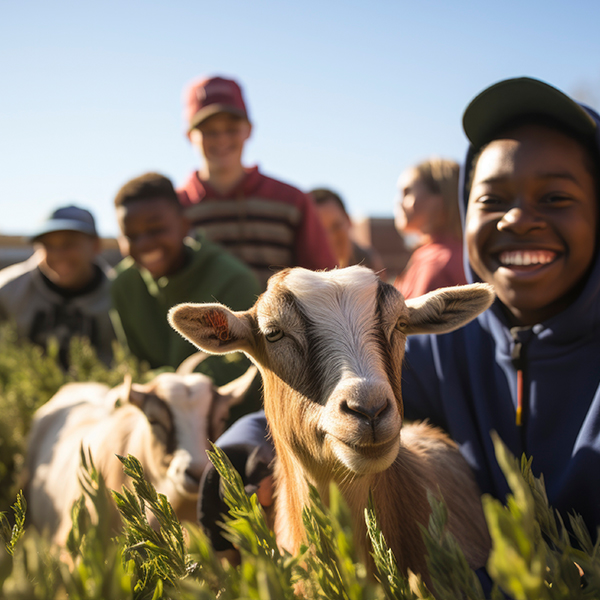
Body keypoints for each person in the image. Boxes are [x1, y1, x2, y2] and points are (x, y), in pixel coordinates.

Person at [194, 76, 600, 570]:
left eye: (555, 197)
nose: (516, 219)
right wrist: (243, 447)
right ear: (464, 211)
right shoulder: (446, 349)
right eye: (491, 200)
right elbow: (344, 387)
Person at [177, 75, 337, 289]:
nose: (221, 138)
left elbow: (323, 280)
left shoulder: (291, 201)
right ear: (190, 136)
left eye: (231, 128)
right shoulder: (176, 209)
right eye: (209, 131)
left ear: (249, 130)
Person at [110, 172, 262, 396]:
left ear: (183, 225)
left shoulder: (234, 280)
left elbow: (247, 368)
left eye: (156, 230)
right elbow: (134, 365)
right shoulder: (123, 285)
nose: (144, 244)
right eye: (130, 236)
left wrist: (176, 384)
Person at [0, 205, 115, 369]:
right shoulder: (7, 290)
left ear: (96, 245)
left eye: (69, 244)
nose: (58, 255)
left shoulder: (120, 294)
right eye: (48, 245)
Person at [393, 157, 467, 298]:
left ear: (442, 197)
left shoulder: (435, 261)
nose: (398, 202)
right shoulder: (460, 253)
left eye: (407, 192)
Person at [311, 187, 386, 275]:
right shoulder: (302, 270)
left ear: (348, 220)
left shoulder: (370, 263)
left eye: (336, 226)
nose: (330, 237)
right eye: (320, 231)